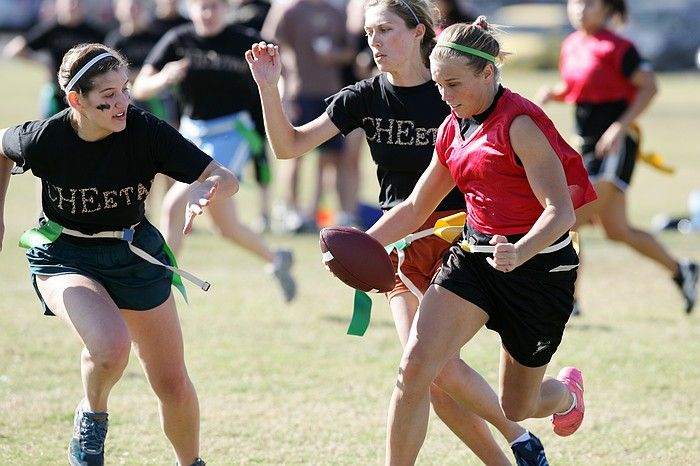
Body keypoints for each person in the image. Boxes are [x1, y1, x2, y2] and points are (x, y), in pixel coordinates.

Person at [246, 4, 552, 465]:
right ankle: (518, 449)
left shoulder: (453, 88)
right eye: (370, 31)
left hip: (460, 242)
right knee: (424, 372)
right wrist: (270, 89)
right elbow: (288, 147)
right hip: (400, 243)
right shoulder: (363, 96)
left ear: (418, 33)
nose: (375, 40)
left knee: (430, 369)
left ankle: (517, 436)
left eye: (387, 30)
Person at [360, 17, 598, 465]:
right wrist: (361, 245)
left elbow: (560, 212)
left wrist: (520, 249)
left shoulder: (521, 125)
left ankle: (566, 396)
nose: (445, 97)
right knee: (415, 369)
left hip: (539, 271)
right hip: (472, 260)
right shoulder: (452, 129)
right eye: (438, 86)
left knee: (517, 407)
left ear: (488, 73)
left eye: (454, 84)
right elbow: (414, 208)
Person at [0, 43, 237, 466]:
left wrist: (209, 187)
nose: (122, 103)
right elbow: (2, 148)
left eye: (125, 90)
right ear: (77, 101)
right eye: (107, 97)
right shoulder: (45, 138)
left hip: (133, 253)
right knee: (110, 346)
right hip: (64, 252)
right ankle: (91, 420)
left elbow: (223, 175)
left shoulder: (145, 131)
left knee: (172, 383)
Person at [537, 0, 698, 315]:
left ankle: (568, 300)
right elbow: (577, 85)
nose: (581, 9)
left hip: (614, 146)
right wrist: (555, 94)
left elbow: (649, 87)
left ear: (608, 9)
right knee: (617, 230)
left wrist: (619, 128)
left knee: (569, 216)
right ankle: (683, 271)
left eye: (590, 4)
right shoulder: (571, 44)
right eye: (576, 3)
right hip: (585, 145)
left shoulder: (620, 47)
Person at [132, 0, 297, 302]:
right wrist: (164, 78)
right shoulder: (178, 39)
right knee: (227, 227)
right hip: (192, 131)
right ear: (190, 9)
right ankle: (276, 258)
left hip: (234, 133)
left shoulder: (245, 41)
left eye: (214, 7)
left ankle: (161, 285)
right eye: (201, 7)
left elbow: (280, 73)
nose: (207, 13)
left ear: (226, 9)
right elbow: (141, 87)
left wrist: (281, 96)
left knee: (174, 203)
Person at [261, 0, 358, 232]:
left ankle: (314, 211)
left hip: (330, 93)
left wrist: (335, 55)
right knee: (294, 154)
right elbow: (269, 43)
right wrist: (284, 83)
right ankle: (290, 210)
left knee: (330, 158)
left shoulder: (336, 12)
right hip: (299, 92)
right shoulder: (288, 9)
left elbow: (349, 52)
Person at [2, 0, 105, 118]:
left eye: (77, 2)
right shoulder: (51, 30)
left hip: (86, 93)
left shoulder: (94, 33)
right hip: (57, 92)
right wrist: (42, 63)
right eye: (69, 2)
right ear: (59, 5)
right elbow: (13, 50)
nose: (73, 6)